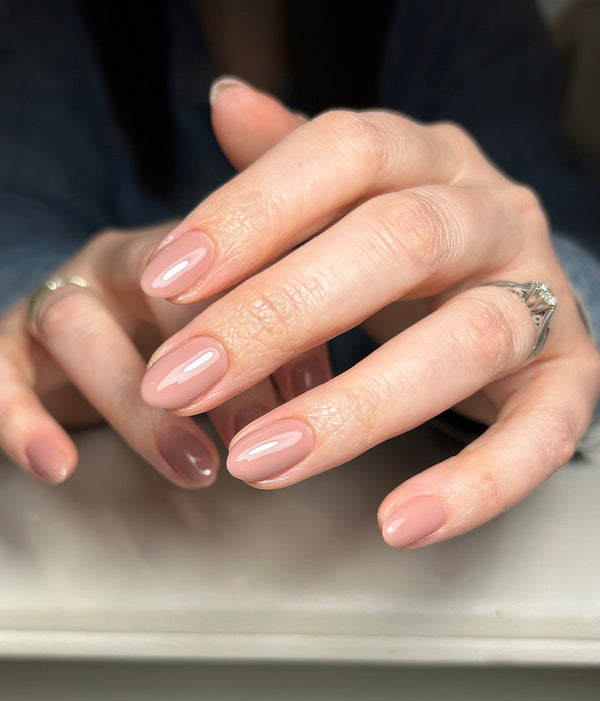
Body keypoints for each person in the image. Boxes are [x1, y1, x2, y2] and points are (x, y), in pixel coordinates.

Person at [1, 0, 599, 550]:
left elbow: (557, 231)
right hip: (133, 544)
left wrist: (542, 309)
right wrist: (50, 304)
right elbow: (19, 222)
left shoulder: (461, 19)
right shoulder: (53, 23)